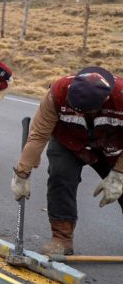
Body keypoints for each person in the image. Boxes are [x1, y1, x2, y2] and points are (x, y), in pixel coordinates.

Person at [11, 67, 123, 256]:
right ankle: (61, 239)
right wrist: (22, 173)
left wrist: (119, 173)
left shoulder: (120, 96)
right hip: (68, 141)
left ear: (103, 101)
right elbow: (38, 135)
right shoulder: (57, 93)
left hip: (111, 144)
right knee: (60, 178)